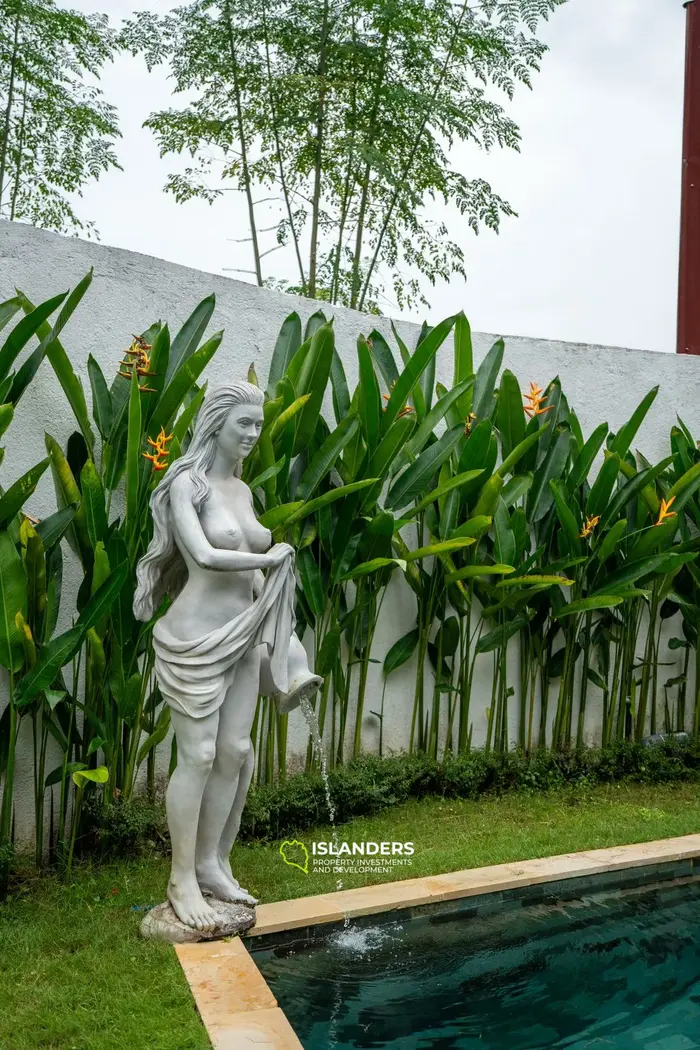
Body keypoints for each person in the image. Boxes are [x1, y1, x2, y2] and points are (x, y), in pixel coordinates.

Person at [133, 382, 321, 932]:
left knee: (236, 750)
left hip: (244, 633)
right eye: (246, 424)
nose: (254, 435)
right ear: (218, 423)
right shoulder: (184, 486)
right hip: (194, 640)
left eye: (259, 426)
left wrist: (275, 611)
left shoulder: (241, 490)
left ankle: (212, 865)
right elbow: (207, 556)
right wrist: (272, 556)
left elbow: (254, 563)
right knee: (198, 754)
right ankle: (180, 880)